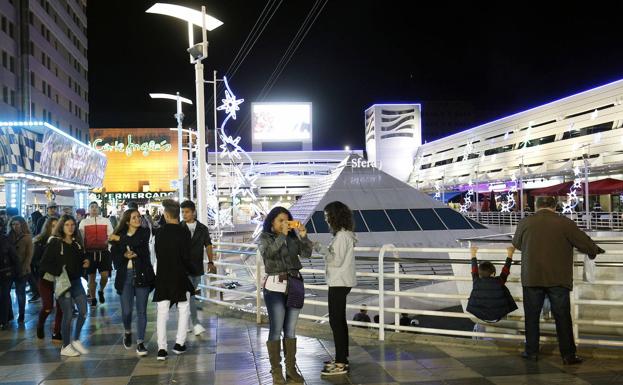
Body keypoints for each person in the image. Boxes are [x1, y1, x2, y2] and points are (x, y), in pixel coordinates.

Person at [512, 196, 605, 365]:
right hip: (558, 278)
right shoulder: (564, 222)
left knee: (531, 317)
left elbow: (517, 243)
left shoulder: (525, 222)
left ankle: (531, 352)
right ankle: (568, 355)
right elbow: (583, 242)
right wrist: (595, 250)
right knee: (562, 316)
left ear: (536, 206)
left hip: (532, 277)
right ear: (555, 206)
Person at [258, 206, 311, 385]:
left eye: (286, 220)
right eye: (280, 220)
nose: (284, 224)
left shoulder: (292, 237)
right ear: (272, 221)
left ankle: (291, 369)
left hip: (294, 284)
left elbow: (306, 253)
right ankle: (276, 371)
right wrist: (282, 235)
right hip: (274, 288)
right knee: (276, 328)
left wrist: (303, 236)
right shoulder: (264, 237)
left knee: (290, 329)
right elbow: (269, 253)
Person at [310, 201, 357, 376]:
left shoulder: (342, 236)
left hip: (339, 282)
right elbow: (337, 256)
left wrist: (322, 250)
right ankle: (342, 357)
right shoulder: (344, 235)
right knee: (339, 321)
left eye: (327, 216)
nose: (326, 219)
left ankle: (341, 362)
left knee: (335, 322)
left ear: (335, 216)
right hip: (341, 282)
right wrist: (320, 247)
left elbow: (335, 260)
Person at [39, 215, 90, 357]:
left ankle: (76, 339)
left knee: (84, 311)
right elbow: (44, 264)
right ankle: (66, 346)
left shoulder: (76, 243)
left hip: (76, 282)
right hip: (63, 283)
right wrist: (59, 270)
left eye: (73, 224)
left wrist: (86, 261)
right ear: (62, 226)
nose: (70, 227)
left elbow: (82, 257)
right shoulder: (55, 243)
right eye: (67, 224)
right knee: (67, 314)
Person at [153, 199, 196, 361]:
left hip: (163, 277)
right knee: (184, 309)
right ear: (177, 214)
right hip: (180, 276)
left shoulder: (159, 232)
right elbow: (187, 257)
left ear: (165, 214)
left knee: (162, 313)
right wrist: (192, 271)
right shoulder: (184, 232)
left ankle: (162, 349)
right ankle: (179, 344)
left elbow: (157, 255)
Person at [109, 208, 154, 356]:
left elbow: (137, 242)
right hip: (125, 276)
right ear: (127, 221)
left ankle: (140, 342)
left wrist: (119, 240)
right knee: (127, 311)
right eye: (134, 218)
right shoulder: (119, 235)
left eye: (139, 217)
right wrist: (124, 255)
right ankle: (127, 331)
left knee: (141, 311)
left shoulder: (144, 232)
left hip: (142, 274)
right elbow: (115, 258)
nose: (137, 219)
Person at [180, 200, 215, 336]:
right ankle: (195, 323)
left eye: (187, 212)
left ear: (193, 212)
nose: (184, 214)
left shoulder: (202, 228)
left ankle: (186, 321)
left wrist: (211, 262)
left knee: (189, 296)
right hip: (183, 268)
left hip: (197, 266)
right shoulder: (179, 228)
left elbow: (208, 245)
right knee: (191, 295)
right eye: (182, 212)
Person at [466, 246, 517, 322]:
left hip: (480, 315)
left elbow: (474, 270)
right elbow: (506, 270)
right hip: (497, 316)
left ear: (479, 274)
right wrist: (510, 253)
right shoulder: (499, 281)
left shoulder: (476, 281)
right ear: (493, 274)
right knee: (503, 291)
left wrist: (473, 254)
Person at [79, 201, 114, 307]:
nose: (94, 209)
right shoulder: (84, 222)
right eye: (92, 207)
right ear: (88, 210)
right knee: (91, 278)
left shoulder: (105, 221)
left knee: (105, 276)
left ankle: (101, 290)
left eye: (95, 207)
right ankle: (93, 298)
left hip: (103, 253)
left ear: (98, 209)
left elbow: (111, 234)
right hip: (89, 253)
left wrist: (109, 246)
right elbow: (81, 237)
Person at [34, 217, 63, 341]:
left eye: (57, 226)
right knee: (48, 306)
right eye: (52, 226)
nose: (55, 228)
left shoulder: (63, 241)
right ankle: (40, 325)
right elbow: (35, 261)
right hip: (45, 279)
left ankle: (56, 332)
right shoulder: (40, 242)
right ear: (47, 227)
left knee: (61, 306)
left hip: (61, 278)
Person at [7, 216, 33, 324]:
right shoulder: (8, 237)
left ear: (22, 224)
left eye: (17, 224)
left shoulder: (27, 237)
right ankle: (8, 315)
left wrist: (24, 268)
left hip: (23, 269)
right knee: (6, 292)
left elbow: (29, 255)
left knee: (20, 293)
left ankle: (21, 315)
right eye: (13, 224)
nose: (15, 226)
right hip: (9, 269)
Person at [0, 219, 18, 329]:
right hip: (6, 272)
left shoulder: (5, 239)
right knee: (4, 295)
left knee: (3, 295)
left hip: (6, 273)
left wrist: (18, 271)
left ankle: (4, 320)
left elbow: (14, 256)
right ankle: (8, 316)